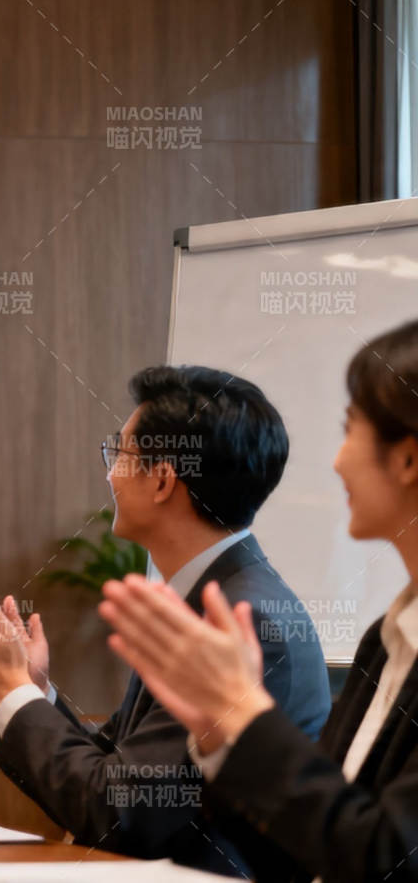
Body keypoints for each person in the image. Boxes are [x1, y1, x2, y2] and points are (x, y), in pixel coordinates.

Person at [0, 365, 330, 877]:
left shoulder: (237, 621)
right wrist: (32, 688)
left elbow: (118, 814)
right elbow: (116, 773)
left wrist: (7, 690)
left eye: (120, 454)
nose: (110, 474)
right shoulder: (206, 598)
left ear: (161, 479)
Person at [98, 317, 418, 883]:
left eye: (351, 429)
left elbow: (387, 859)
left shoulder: (253, 613)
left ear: (408, 459)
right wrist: (223, 741)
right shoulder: (384, 641)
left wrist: (242, 721)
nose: (337, 460)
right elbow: (317, 849)